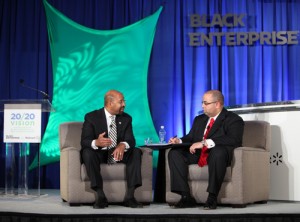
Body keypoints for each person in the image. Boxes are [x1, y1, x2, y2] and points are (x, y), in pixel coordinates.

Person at [168, 90, 244, 209]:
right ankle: (186, 196)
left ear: (217, 104)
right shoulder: (199, 119)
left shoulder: (233, 119)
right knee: (174, 153)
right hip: (199, 154)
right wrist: (180, 141)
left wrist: (205, 143)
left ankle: (212, 198)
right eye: (202, 103)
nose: (202, 106)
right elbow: (191, 137)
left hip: (218, 155)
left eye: (205, 103)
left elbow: (234, 139)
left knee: (217, 153)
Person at [81, 89, 143, 209]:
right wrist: (96, 142)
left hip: (117, 154)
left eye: (124, 101)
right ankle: (100, 196)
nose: (124, 104)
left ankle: (130, 197)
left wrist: (122, 145)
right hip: (99, 154)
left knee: (135, 151)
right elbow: (85, 141)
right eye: (121, 102)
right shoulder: (92, 117)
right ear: (110, 103)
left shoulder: (126, 118)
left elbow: (131, 140)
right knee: (87, 152)